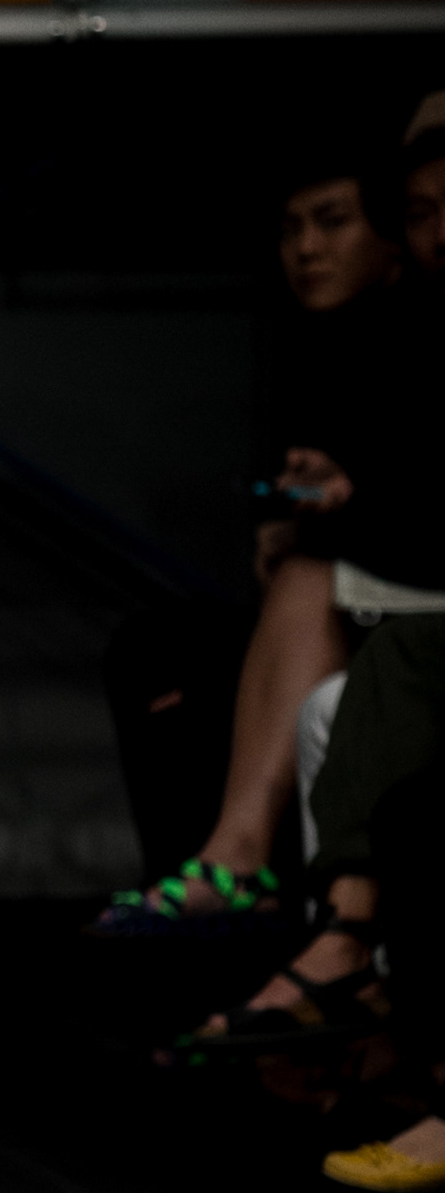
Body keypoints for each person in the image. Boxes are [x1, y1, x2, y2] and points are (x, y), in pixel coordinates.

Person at [93, 144, 408, 936]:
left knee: (300, 581)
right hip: (347, 592)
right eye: (290, 228)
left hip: (392, 602)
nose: (306, 248)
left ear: (393, 232)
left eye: (331, 222)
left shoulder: (419, 337)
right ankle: (200, 886)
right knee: (156, 654)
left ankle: (234, 862)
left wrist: (342, 513)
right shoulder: (318, 349)